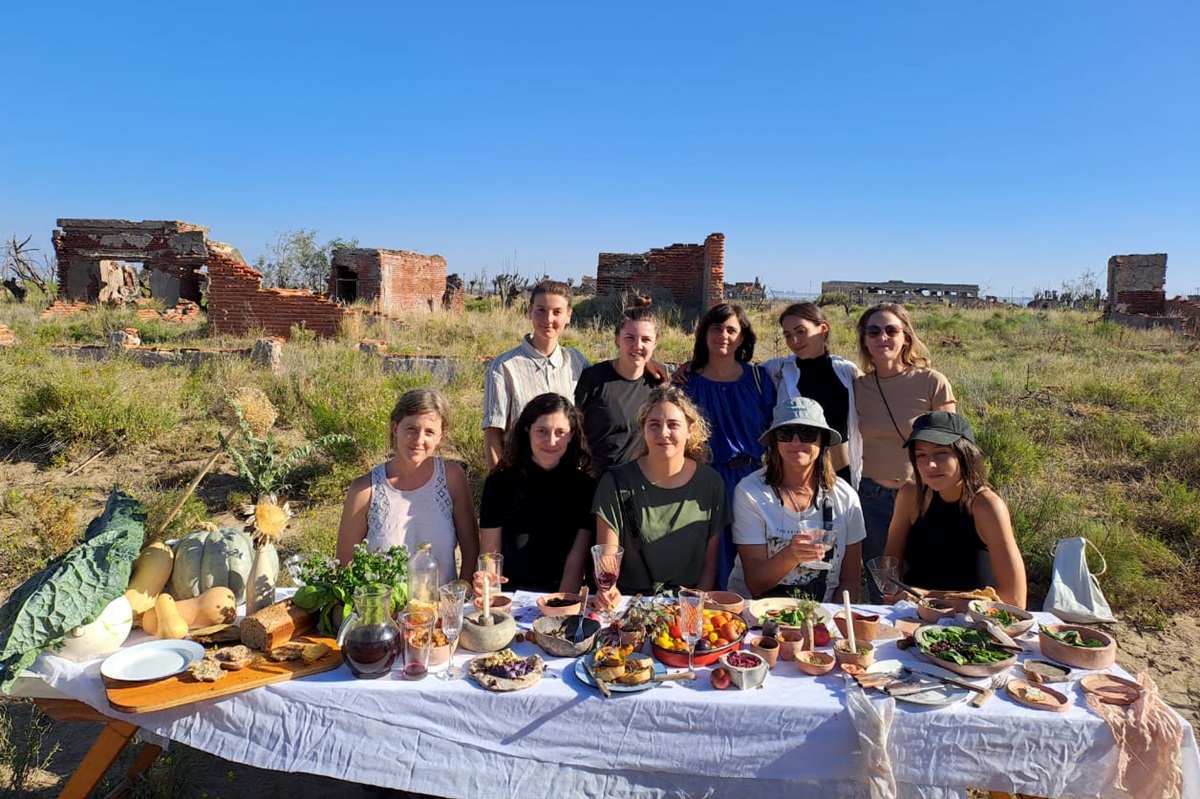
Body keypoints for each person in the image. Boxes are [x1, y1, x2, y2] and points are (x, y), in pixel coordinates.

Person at [852, 303, 956, 601]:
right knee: (883, 590)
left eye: (891, 330)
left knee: (926, 584)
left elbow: (952, 445)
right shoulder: (858, 387)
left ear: (905, 337)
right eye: (873, 331)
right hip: (872, 500)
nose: (882, 337)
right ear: (865, 341)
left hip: (923, 497)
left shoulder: (931, 381)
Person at [593, 387, 728, 600]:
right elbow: (608, 557)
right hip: (631, 604)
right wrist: (608, 590)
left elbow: (709, 565)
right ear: (643, 429)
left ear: (691, 430)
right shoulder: (616, 482)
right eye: (654, 425)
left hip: (687, 606)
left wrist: (694, 608)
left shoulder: (710, 484)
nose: (663, 433)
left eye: (673, 425)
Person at [677, 302, 776, 589]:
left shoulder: (759, 380)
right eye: (716, 328)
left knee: (754, 556)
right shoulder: (687, 382)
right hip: (703, 480)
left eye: (731, 330)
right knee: (709, 559)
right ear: (704, 333)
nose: (723, 335)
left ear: (743, 337)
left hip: (752, 478)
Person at [728, 397, 865, 601]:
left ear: (823, 441)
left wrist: (833, 623)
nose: (796, 442)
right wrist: (790, 555)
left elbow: (850, 581)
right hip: (757, 611)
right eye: (786, 434)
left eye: (808, 434)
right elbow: (755, 584)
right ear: (775, 441)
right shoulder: (750, 492)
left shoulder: (846, 498)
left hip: (822, 613)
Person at [336, 388, 479, 585]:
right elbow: (345, 565)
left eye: (429, 432)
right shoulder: (364, 490)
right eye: (411, 429)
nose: (419, 440)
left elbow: (471, 551)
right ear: (395, 428)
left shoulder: (452, 478)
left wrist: (460, 597)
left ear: (441, 436)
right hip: (384, 613)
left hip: (441, 612)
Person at [884, 411, 1027, 607]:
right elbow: (889, 568)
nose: (930, 464)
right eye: (921, 455)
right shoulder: (910, 494)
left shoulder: (986, 506)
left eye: (941, 453)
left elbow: (1015, 599)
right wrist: (895, 594)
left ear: (965, 455)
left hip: (972, 624)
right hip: (912, 616)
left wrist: (928, 597)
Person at [476, 393, 597, 593]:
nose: (551, 441)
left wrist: (558, 606)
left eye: (560, 432)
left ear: (571, 435)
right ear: (527, 431)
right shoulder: (499, 483)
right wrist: (490, 590)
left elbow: (576, 560)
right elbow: (490, 552)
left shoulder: (584, 487)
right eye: (542, 431)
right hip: (508, 596)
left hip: (559, 596)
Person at [482, 280, 590, 471]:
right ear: (530, 310)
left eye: (557, 312)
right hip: (520, 479)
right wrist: (498, 486)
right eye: (541, 310)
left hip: (568, 477)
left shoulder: (577, 362)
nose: (548, 319)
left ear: (568, 316)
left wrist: (646, 363)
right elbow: (492, 433)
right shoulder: (505, 366)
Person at [761, 302, 863, 486]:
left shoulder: (847, 371)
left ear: (823, 328)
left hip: (842, 473)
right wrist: (693, 367)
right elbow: (736, 373)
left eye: (801, 331)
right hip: (798, 475)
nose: (794, 341)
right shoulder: (779, 370)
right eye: (788, 335)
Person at [574, 306, 668, 474]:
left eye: (645, 339)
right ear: (617, 339)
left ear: (655, 343)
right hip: (594, 485)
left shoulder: (658, 385)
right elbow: (573, 431)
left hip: (639, 484)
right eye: (630, 338)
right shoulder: (593, 379)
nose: (637, 346)